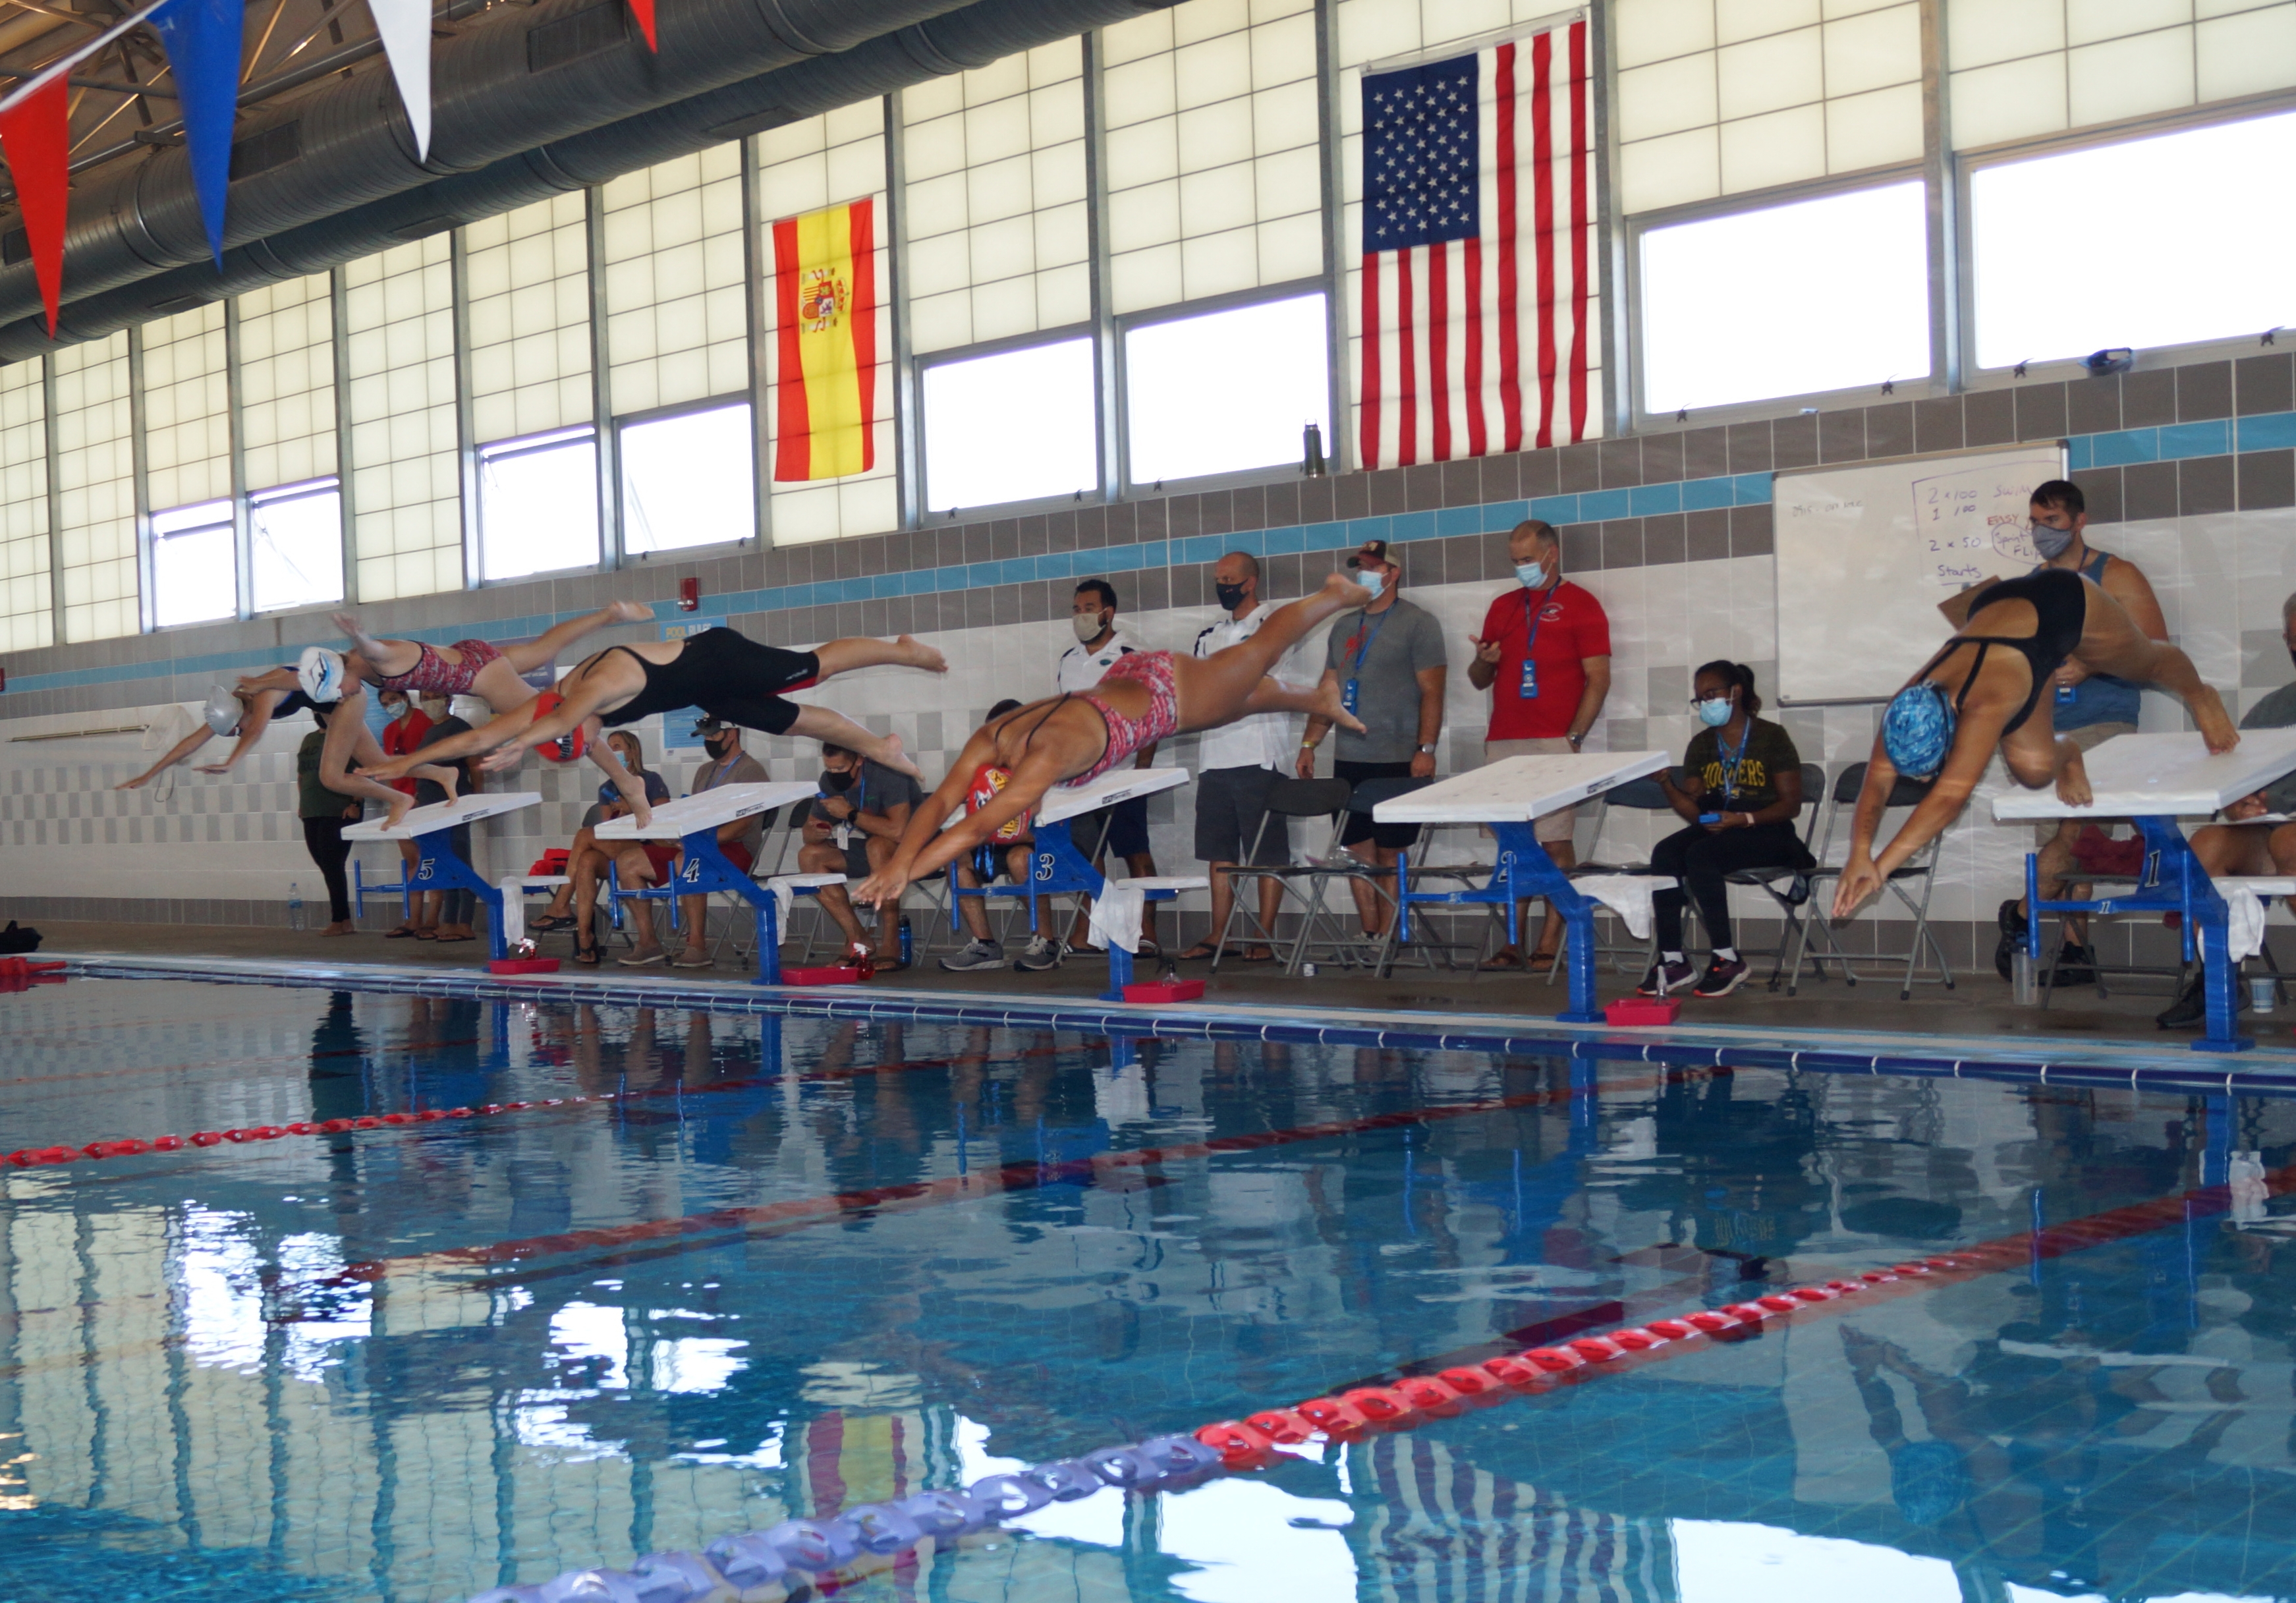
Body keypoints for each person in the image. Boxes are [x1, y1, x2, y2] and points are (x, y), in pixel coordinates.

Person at [856, 573, 1373, 908]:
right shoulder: (993, 734)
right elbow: (940, 803)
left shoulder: (1044, 759)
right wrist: (900, 863)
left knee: (1256, 653)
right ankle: (1319, 699)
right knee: (1238, 700)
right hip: (1129, 676)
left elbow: (973, 828)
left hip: (1167, 694)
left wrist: (904, 873)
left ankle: (1334, 595)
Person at [1830, 566, 2236, 922]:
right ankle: (2068, 751)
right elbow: (1878, 776)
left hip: (2064, 602)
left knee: (2146, 662)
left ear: (1954, 730)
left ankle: (2202, 695)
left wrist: (1880, 868)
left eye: (1932, 769)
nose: (1927, 779)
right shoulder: (1905, 706)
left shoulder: (1986, 705)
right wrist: (1859, 854)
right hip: (2007, 633)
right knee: (2035, 771)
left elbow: (1948, 799)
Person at [359, 627, 945, 820]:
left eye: (580, 743)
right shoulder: (556, 703)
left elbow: (563, 719)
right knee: (793, 723)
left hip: (716, 658)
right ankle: (880, 746)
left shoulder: (598, 689)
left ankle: (902, 650)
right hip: (703, 688)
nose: (594, 746)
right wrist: (405, 762)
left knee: (811, 669)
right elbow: (480, 735)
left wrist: (522, 745)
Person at [1992, 480, 2169, 986]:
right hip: (2046, 726)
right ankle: (2074, 949)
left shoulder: (2115, 574)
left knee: (2076, 832)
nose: (2040, 531)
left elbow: (2156, 647)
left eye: (2051, 521)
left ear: (2078, 521)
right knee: (2061, 839)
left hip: (2103, 719)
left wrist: (2091, 665)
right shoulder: (2031, 585)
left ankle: (2021, 913)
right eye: (2034, 522)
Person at [1467, 520, 1611, 972]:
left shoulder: (1581, 604)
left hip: (1554, 740)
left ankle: (1549, 941)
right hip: (1504, 739)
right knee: (1512, 846)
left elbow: (1598, 678)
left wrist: (1574, 737)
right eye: (1515, 560)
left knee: (1553, 842)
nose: (1521, 567)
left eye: (1527, 559)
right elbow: (1478, 679)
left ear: (1552, 554)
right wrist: (1484, 661)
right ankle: (1512, 941)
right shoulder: (1503, 606)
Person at [2155, 591, 2296, 1028]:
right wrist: (2236, 803)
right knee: (2205, 844)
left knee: (2289, 841)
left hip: (2287, 834)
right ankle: (2217, 979)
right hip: (2266, 831)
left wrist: (2277, 805)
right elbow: (2234, 774)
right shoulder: (2274, 707)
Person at [1297, 541, 1448, 940]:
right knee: (1356, 850)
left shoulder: (1418, 623)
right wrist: (1310, 743)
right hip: (1350, 756)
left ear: (1393, 573)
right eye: (1359, 568)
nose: (1363, 575)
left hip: (1397, 755)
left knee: (1391, 850)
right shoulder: (1344, 626)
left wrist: (1426, 748)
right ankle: (1370, 936)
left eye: (1372, 567)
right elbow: (1328, 690)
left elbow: (1433, 691)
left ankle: (1389, 935)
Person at [1638, 662, 1811, 999]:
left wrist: (1743, 819)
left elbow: (1791, 805)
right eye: (1700, 698)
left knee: (1702, 855)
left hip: (1769, 831)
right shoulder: (1702, 744)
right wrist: (1667, 784)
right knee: (1666, 853)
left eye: (1712, 694)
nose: (1706, 703)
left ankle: (1726, 958)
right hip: (1722, 829)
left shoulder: (1771, 737)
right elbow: (1696, 813)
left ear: (1736, 692)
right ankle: (1673, 960)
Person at [1180, 553, 1302, 963]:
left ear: (1250, 583)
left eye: (1229, 579)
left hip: (1260, 755)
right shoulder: (1208, 636)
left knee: (1266, 852)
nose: (1223, 586)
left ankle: (1263, 935)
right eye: (1218, 579)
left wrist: (1221, 686)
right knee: (1220, 853)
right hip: (1214, 758)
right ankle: (1221, 934)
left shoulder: (1275, 626)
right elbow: (1196, 688)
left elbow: (1260, 683)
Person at [1058, 578, 1162, 958]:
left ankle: (1147, 932)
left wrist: (1142, 769)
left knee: (1134, 852)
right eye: (1076, 609)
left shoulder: (1131, 654)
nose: (1081, 616)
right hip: (1080, 776)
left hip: (1122, 774)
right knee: (1087, 854)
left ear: (1108, 613)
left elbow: (1152, 713)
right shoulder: (1068, 660)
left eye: (1089, 609)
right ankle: (1092, 930)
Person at [939, 700, 1063, 972]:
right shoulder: (986, 766)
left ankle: (1046, 942)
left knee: (1021, 858)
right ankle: (985, 946)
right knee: (956, 858)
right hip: (997, 840)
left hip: (1044, 839)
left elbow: (1047, 821)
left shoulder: (1045, 760)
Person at [528, 729, 671, 938]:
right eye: (609, 748)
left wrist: (634, 808)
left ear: (632, 752)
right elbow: (606, 830)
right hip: (620, 845)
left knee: (585, 836)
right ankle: (585, 937)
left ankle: (561, 906)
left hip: (650, 846)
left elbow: (666, 822)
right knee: (587, 859)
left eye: (617, 747)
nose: (612, 752)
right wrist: (620, 816)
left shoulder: (651, 780)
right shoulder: (607, 788)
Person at [797, 741, 922, 969]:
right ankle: (858, 938)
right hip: (874, 849)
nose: (835, 774)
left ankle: (891, 942)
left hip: (917, 849)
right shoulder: (829, 781)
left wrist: (850, 813)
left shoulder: (889, 774)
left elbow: (898, 832)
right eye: (829, 768)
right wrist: (815, 831)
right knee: (809, 856)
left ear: (859, 760)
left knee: (878, 846)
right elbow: (808, 835)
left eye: (840, 768)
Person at [672, 717, 773, 969]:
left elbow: (743, 825)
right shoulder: (704, 771)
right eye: (706, 737)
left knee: (687, 861)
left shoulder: (750, 771)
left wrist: (698, 843)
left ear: (732, 734)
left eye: (714, 736)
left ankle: (697, 945)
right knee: (630, 862)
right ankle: (648, 943)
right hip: (701, 843)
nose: (709, 741)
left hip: (737, 846)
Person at [410, 711, 481, 945]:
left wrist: (476, 796)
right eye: (427, 696)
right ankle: (450, 919)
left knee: (460, 860)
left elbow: (474, 763)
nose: (432, 700)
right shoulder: (431, 731)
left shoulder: (458, 726)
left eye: (436, 695)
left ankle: (465, 922)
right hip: (433, 805)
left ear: (449, 700)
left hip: (454, 802)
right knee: (446, 862)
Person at [295, 706, 364, 938]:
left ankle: (340, 919)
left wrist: (356, 804)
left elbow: (360, 772)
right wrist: (303, 803)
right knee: (325, 864)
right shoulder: (309, 739)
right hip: (312, 809)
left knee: (332, 864)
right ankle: (343, 920)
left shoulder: (347, 737)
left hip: (339, 809)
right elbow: (302, 775)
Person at [378, 689, 438, 937]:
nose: (390, 706)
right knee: (413, 861)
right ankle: (414, 919)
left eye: (393, 700)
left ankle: (432, 920)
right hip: (401, 800)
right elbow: (389, 767)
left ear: (405, 697)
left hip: (426, 797)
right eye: (385, 704)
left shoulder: (427, 722)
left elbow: (435, 762)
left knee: (432, 859)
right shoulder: (389, 731)